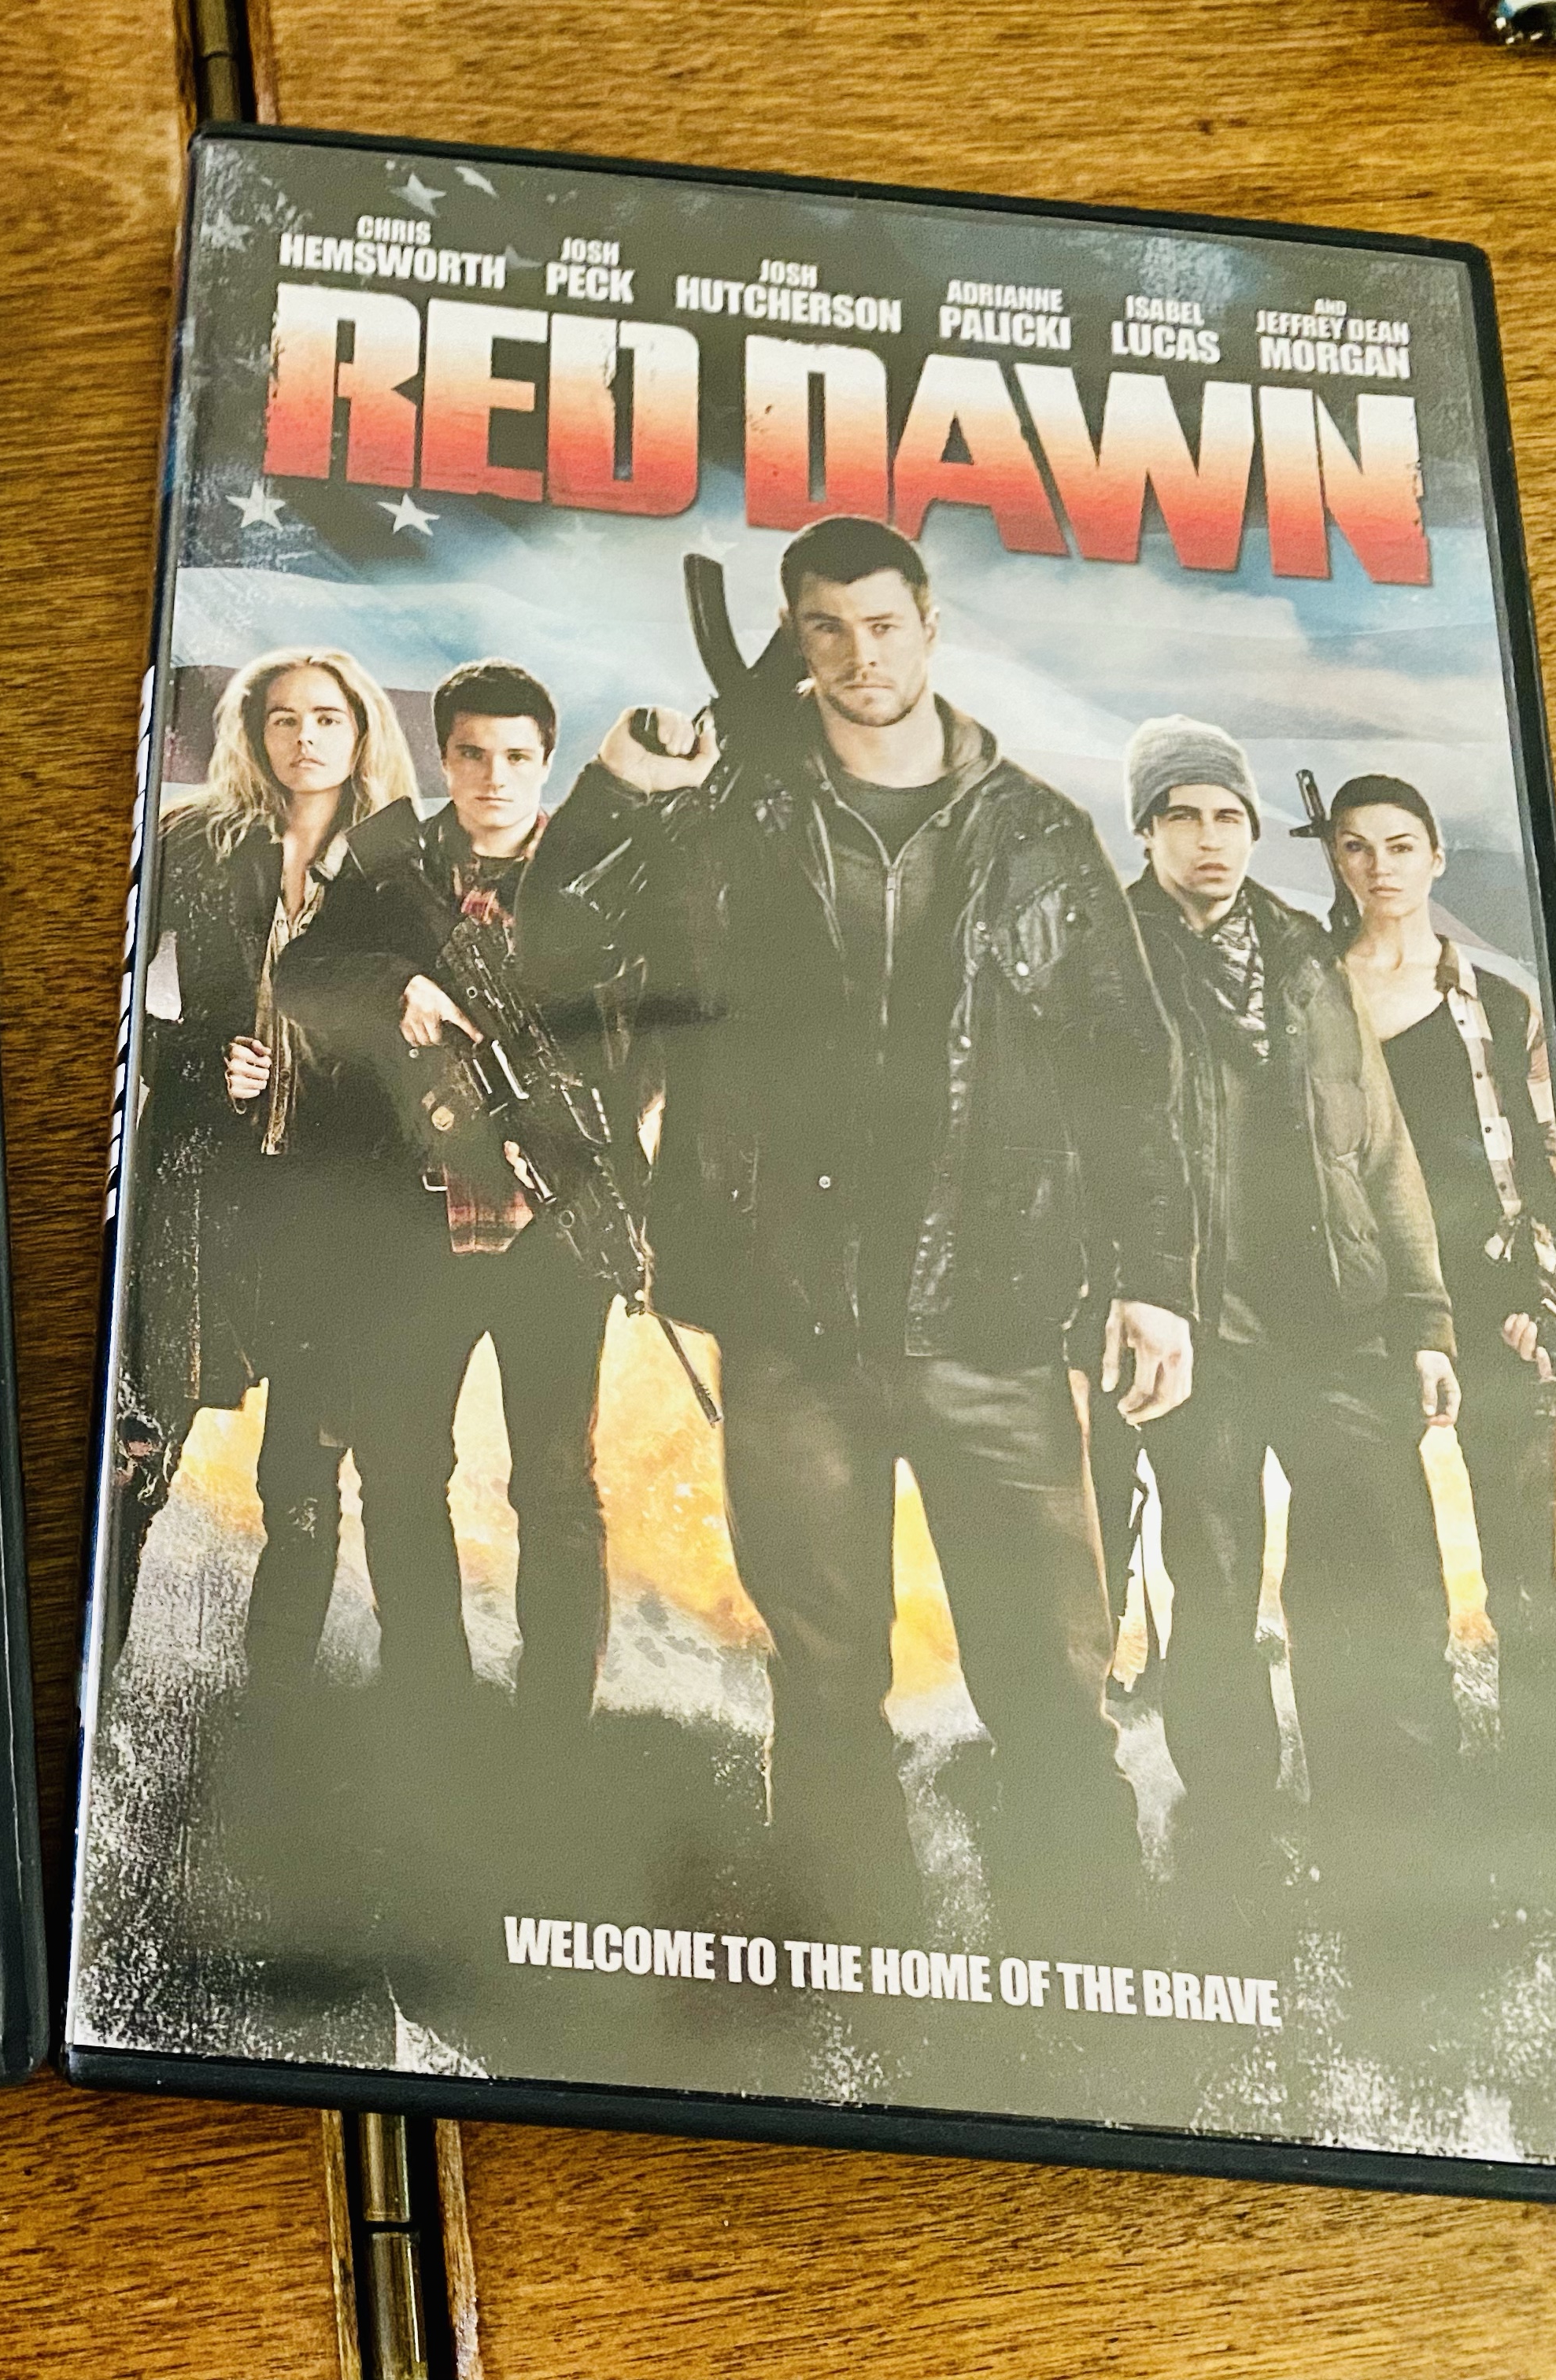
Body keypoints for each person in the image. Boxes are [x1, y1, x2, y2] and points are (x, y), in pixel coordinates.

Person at [570, 516, 1192, 1936]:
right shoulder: (731, 818)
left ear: (929, 626)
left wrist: (1154, 1279)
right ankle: (843, 1965)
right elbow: (565, 955)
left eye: (883, 624)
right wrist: (616, 794)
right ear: (796, 641)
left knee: (1049, 1677)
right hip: (791, 1324)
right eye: (826, 629)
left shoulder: (1036, 835)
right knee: (824, 1673)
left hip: (995, 1321)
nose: (860, 656)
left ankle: (1092, 1955)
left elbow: (1123, 1068)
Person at [1115, 724, 1461, 1908]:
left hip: (1339, 1323)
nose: (1209, 839)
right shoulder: (1102, 959)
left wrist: (1426, 1317)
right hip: (1198, 1332)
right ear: (1146, 831)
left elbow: (1382, 1144)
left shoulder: (1306, 956)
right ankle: (1233, 1837)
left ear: (1256, 832)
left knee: (1379, 1575)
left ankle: (1392, 1833)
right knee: (1214, 1588)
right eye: (1182, 816)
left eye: (1229, 817)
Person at [275, 659, 637, 1777]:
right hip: (414, 1225)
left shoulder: (593, 880)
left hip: (552, 1232)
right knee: (398, 1467)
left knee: (556, 1487)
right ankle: (428, 1700)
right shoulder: (390, 868)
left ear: (548, 762)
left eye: (518, 756)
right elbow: (300, 975)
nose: (494, 777)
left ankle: (554, 1734)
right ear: (444, 757)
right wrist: (397, 986)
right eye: (473, 753)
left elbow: (655, 1027)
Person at [109, 647, 414, 1690]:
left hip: (335, 1190)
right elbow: (105, 1002)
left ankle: (272, 1706)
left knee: (304, 1471)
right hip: (202, 1181)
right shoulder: (193, 840)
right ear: (252, 732)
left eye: (327, 717)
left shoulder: (406, 864)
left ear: (361, 731)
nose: (305, 738)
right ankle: (96, 1685)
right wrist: (200, 1057)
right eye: (283, 718)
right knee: (140, 1445)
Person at [1330, 772, 1556, 1830]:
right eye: (1356, 846)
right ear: (1336, 860)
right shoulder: (1309, 1000)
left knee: (1522, 1572)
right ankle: (1424, 1791)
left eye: (1400, 844)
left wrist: (1540, 1290)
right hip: (1364, 1312)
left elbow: (1548, 1163)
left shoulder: (1501, 1003)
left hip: (1494, 1305)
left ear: (1435, 855)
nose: (1380, 866)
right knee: (1391, 1563)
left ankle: (1549, 1789)